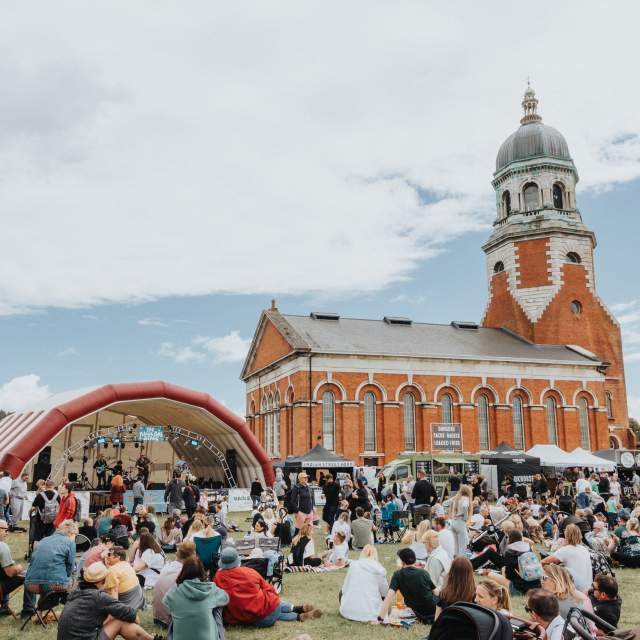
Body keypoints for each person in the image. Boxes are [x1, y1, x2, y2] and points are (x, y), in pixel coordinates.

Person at [214, 546, 321, 626]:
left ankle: (298, 616)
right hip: (267, 610)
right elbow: (269, 589)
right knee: (271, 603)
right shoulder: (249, 572)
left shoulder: (218, 578)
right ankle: (297, 608)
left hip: (248, 616)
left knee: (267, 610)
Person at [57, 561, 157, 640]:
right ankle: (151, 639)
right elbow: (130, 614)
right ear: (103, 580)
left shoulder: (75, 593)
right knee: (119, 621)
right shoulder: (99, 597)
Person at [22, 519, 78, 619]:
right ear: (71, 532)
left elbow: (33, 561)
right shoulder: (70, 543)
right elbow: (69, 568)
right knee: (74, 583)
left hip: (31, 585)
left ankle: (31, 611)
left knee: (46, 579)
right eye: (75, 536)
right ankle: (72, 613)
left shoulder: (43, 540)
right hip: (54, 585)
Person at [163, 556, 228, 640]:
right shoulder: (210, 589)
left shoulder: (174, 591)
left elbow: (166, 603)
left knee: (173, 614)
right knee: (217, 608)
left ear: (183, 571)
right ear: (202, 571)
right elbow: (225, 598)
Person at [377, 548, 437, 625]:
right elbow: (436, 592)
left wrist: (380, 619)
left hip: (418, 612)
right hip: (433, 609)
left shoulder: (397, 575)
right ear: (415, 560)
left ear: (402, 561)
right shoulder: (423, 572)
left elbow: (388, 598)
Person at [152, 541, 196, 628]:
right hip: (173, 620)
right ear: (192, 555)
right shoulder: (186, 572)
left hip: (158, 618)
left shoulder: (167, 566)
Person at [339, 544, 387, 622]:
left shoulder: (354, 565)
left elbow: (344, 589)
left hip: (348, 611)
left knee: (341, 592)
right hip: (370, 612)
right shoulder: (379, 568)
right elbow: (384, 593)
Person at [542, 523, 592, 592]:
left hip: (577, 587)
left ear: (567, 536)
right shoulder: (584, 549)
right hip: (588, 587)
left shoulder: (566, 549)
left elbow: (543, 562)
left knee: (553, 568)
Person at [104, 546, 145, 610]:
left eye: (109, 554)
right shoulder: (127, 564)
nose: (106, 556)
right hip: (139, 600)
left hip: (127, 603)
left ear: (118, 557)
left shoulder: (112, 571)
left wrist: (115, 610)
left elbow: (114, 592)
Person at [0, 518, 24, 615]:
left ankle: (4, 606)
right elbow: (10, 573)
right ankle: (28, 609)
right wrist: (19, 568)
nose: (7, 533)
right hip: (1, 586)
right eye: (5, 530)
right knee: (29, 575)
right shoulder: (2, 546)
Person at [448, 484, 473, 556]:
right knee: (463, 546)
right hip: (460, 522)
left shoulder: (456, 498)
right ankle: (461, 563)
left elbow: (445, 503)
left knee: (456, 546)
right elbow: (465, 506)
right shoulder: (466, 498)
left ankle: (455, 561)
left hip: (453, 521)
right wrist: (466, 517)